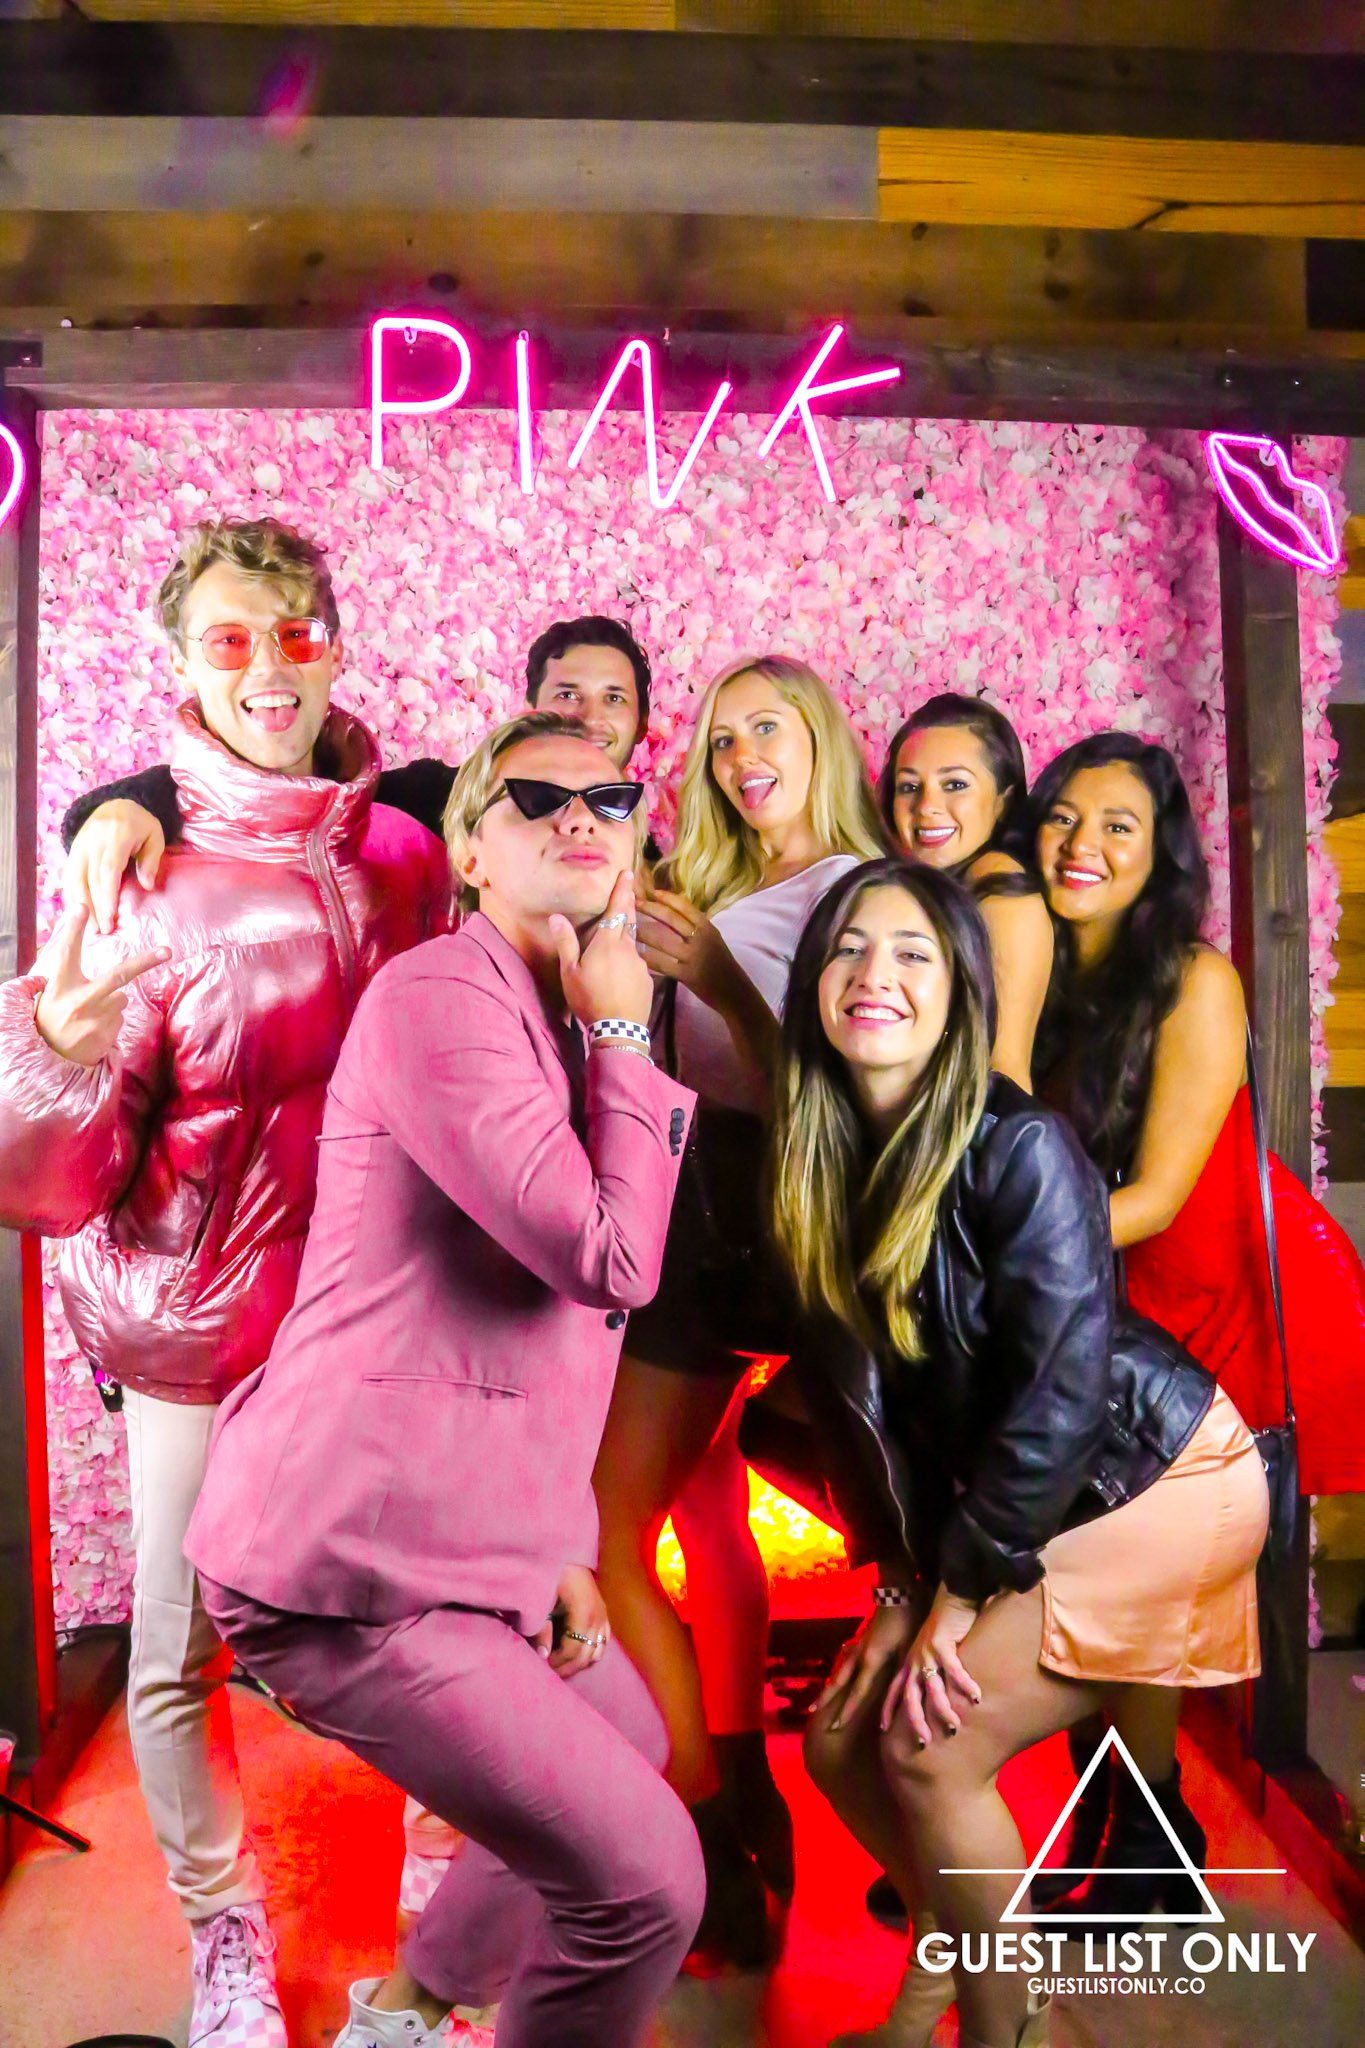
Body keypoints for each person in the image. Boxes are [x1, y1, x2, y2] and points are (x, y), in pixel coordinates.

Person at [183, 712, 704, 2048]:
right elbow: (606, 1259)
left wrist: (557, 1542)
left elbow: (543, 1342)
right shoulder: (441, 999)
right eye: (536, 797)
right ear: (470, 850)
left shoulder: (562, 1018)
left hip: (464, 1534)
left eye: (608, 797)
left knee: (629, 1747)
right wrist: (628, 1036)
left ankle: (406, 2015)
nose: (580, 815)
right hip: (350, 1557)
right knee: (647, 1884)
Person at [0, 518, 450, 2048]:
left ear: (337, 643)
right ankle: (227, 1944)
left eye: (296, 630)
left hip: (379, 1330)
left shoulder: (412, 856)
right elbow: (46, 1188)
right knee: (178, 1653)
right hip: (195, 1335)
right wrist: (53, 1047)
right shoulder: (138, 876)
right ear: (182, 662)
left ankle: (436, 1953)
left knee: (439, 1642)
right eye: (230, 639)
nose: (269, 666)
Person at [772, 856, 1267, 2048]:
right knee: (840, 1738)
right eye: (848, 947)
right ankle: (953, 1963)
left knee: (925, 1745)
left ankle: (1012, 2027)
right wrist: (900, 1587)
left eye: (913, 952)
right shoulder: (820, 1157)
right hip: (1040, 1499)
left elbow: (1059, 1398)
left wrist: (953, 1597)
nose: (874, 973)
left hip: (1156, 1476)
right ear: (813, 983)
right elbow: (872, 1417)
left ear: (960, 995)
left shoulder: (1020, 1142)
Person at [1026, 730, 1365, 1922]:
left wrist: (1000, 1259)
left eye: (1117, 824)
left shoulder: (1194, 978)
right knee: (1085, 1562)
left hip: (1198, 1299)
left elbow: (1163, 1196)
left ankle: (1155, 1837)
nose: (1082, 843)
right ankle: (1117, 1823)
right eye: (1063, 816)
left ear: (1161, 852)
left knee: (1131, 1572)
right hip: (1105, 1296)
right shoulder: (1034, 965)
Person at [594, 653, 885, 1964]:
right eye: (720, 738)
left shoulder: (856, 892)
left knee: (602, 1527)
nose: (742, 755)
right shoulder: (723, 881)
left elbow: (843, 1096)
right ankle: (746, 1781)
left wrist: (712, 974)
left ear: (820, 736)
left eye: (768, 728)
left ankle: (703, 1831)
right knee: (706, 1513)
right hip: (695, 1210)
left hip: (750, 1232)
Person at [59, 612, 657, 933]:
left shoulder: (651, 853)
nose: (587, 717)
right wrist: (128, 806)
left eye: (613, 699)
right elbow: (320, 801)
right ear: (531, 709)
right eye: (568, 694)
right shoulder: (445, 797)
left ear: (639, 722)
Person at [878, 693, 1052, 1089]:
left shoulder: (1003, 890)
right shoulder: (925, 892)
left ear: (1004, 802)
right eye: (909, 786)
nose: (926, 806)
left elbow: (1004, 1074)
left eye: (955, 784)